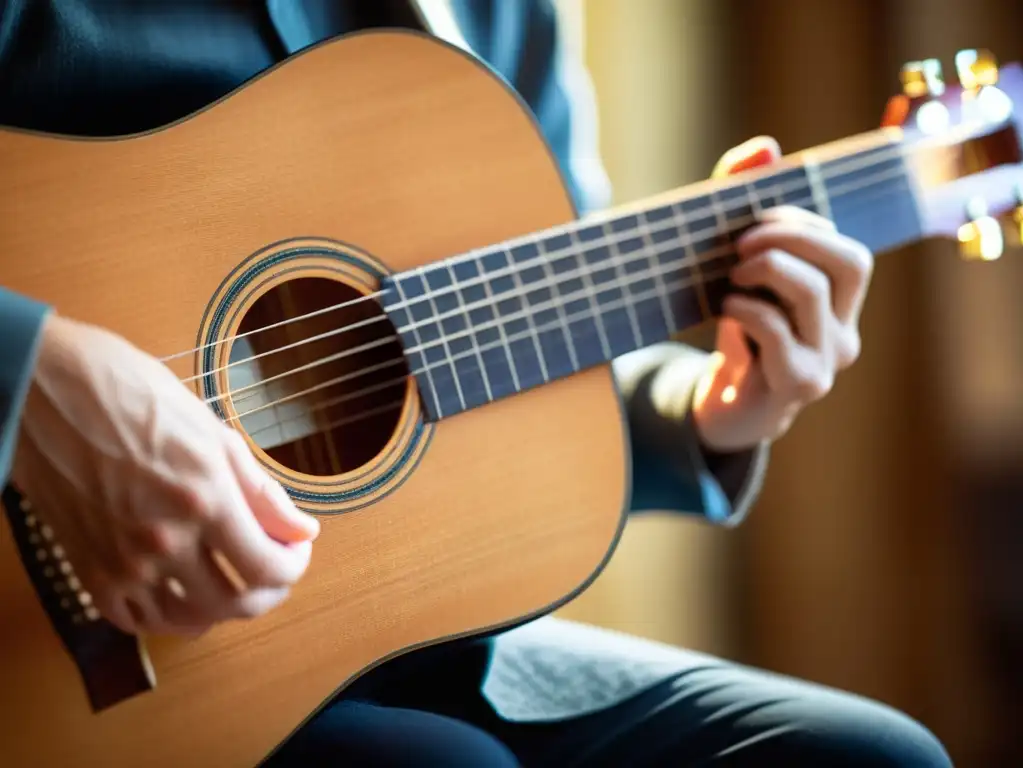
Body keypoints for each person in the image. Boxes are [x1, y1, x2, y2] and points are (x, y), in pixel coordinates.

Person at [0, 1, 952, 766]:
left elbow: (504, 337)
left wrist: (710, 411)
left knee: (870, 754)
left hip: (392, 644)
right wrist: (35, 374)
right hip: (91, 682)